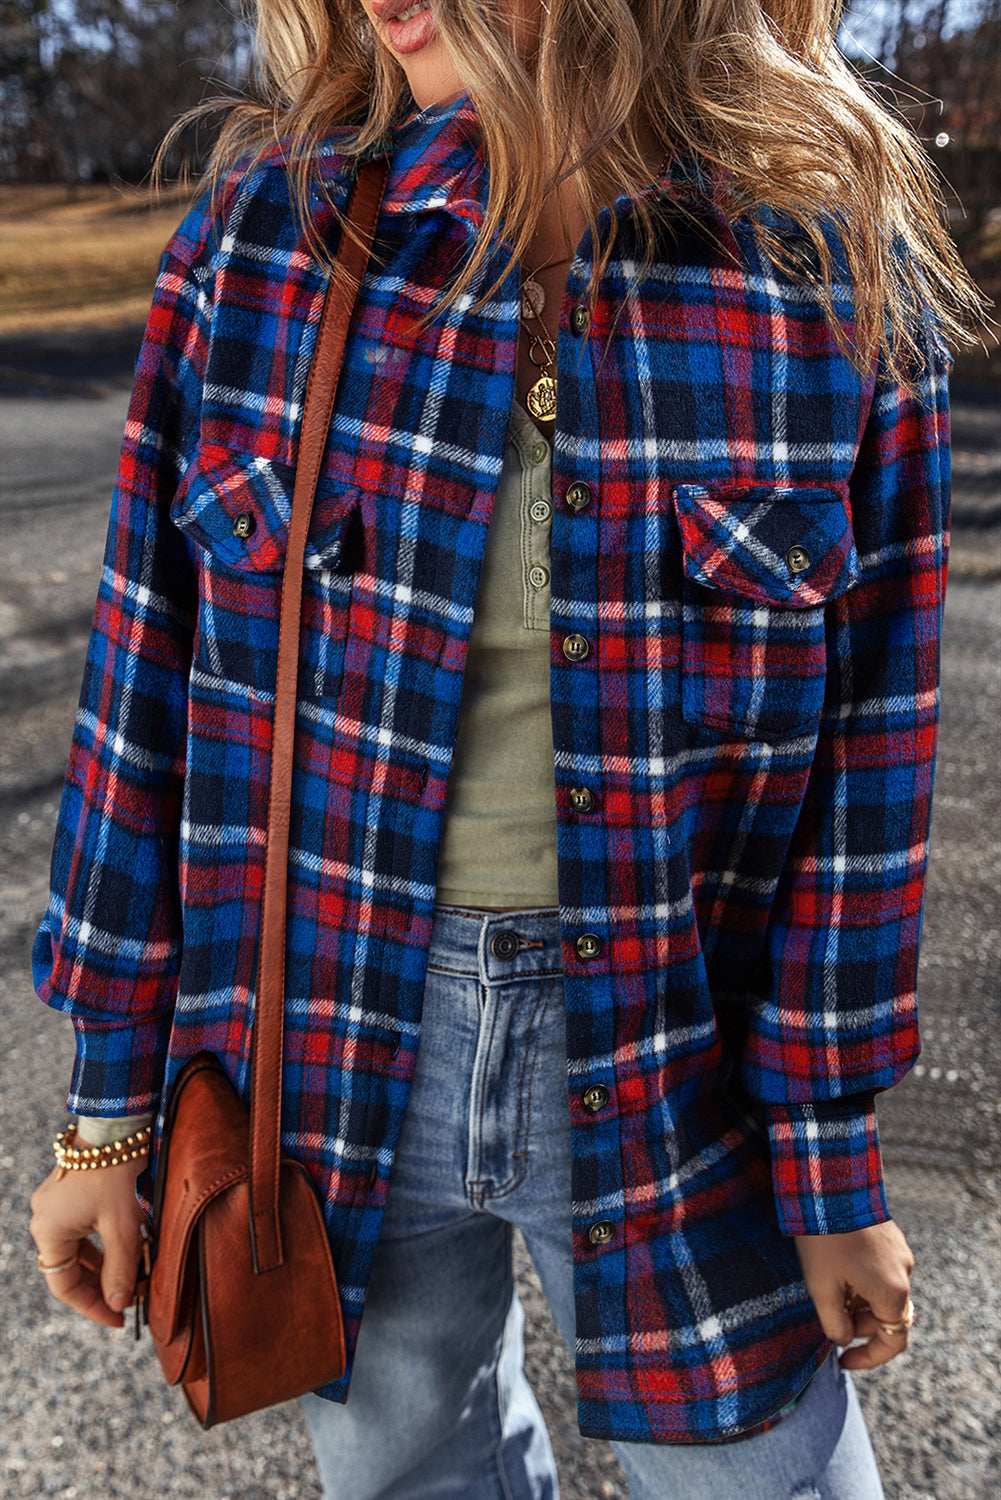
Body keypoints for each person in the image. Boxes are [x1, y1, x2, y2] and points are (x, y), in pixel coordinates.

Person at [28, 0, 981, 1495]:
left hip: (677, 1064)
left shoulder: (825, 276)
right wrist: (104, 1118)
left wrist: (830, 1159)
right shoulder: (269, 241)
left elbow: (869, 784)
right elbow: (143, 693)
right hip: (332, 1053)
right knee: (406, 1473)